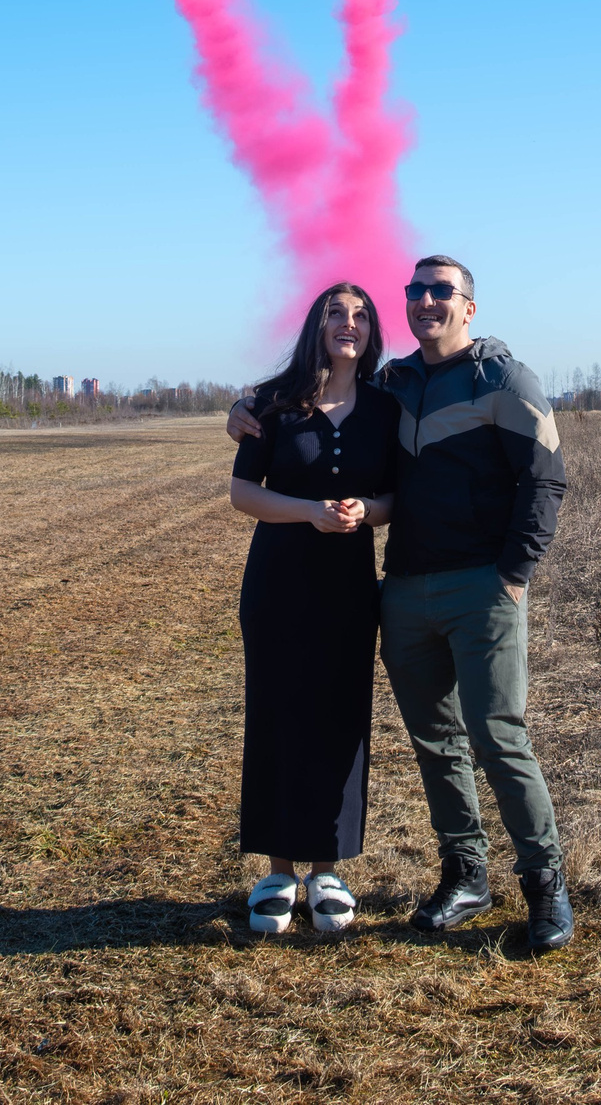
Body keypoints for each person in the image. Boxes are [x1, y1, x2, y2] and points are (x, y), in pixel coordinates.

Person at [230, 255, 573, 953]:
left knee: (497, 734)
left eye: (441, 290)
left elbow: (545, 479)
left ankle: (545, 883)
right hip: (407, 588)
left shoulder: (502, 377)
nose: (425, 300)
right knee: (435, 741)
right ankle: (464, 872)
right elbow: (306, 403)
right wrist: (242, 409)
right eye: (416, 290)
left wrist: (513, 573)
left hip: (481, 585)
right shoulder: (397, 382)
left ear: (469, 307)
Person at [226, 282, 400, 935]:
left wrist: (364, 513)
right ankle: (277, 869)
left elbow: (392, 498)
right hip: (277, 581)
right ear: (316, 324)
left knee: (338, 716)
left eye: (359, 315)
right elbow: (243, 492)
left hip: (348, 585)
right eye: (335, 311)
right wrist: (308, 512)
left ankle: (326, 868)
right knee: (276, 712)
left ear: (370, 330)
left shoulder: (385, 407)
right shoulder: (272, 404)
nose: (346, 323)